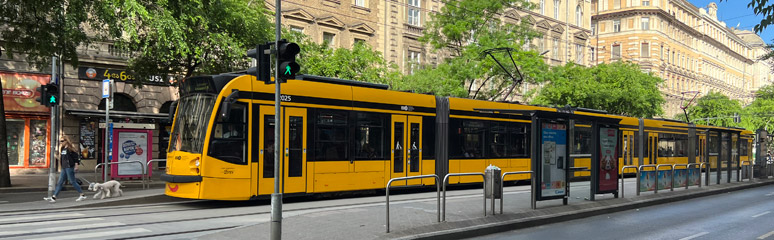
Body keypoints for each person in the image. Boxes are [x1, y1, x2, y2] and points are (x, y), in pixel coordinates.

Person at [44, 135, 87, 202]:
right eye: (60, 141)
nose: (61, 142)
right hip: (64, 167)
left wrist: (76, 166)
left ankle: (82, 195)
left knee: (72, 181)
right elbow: (62, 158)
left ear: (66, 141)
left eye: (62, 141)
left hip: (69, 167)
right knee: (60, 182)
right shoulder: (63, 148)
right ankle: (54, 197)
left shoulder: (70, 149)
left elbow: (76, 158)